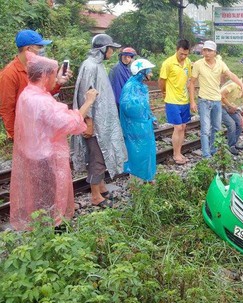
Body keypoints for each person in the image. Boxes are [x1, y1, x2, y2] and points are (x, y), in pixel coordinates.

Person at [10, 52, 98, 231]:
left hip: (31, 154)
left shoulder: (28, 93)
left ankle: (40, 229)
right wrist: (89, 101)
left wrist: (57, 81)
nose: (54, 78)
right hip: (46, 158)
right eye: (53, 74)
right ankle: (54, 231)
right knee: (51, 199)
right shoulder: (42, 101)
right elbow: (70, 122)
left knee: (38, 197)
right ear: (43, 75)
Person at [71, 34, 128, 207]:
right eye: (111, 48)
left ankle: (101, 186)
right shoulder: (90, 66)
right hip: (95, 124)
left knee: (102, 155)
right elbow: (84, 96)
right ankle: (95, 196)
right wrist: (88, 122)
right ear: (103, 49)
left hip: (103, 122)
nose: (112, 51)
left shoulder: (97, 65)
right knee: (97, 156)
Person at [0, 29, 72, 140]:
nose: (42, 50)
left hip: (40, 130)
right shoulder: (9, 74)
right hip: (24, 134)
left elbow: (43, 94)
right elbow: (7, 109)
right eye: (39, 47)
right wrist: (16, 136)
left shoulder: (36, 69)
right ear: (28, 49)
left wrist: (58, 82)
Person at [188, 40, 243, 159]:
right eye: (205, 50)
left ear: (215, 52)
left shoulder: (220, 64)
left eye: (209, 51)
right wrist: (192, 101)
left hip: (217, 101)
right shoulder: (198, 64)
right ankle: (206, 155)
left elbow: (231, 75)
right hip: (204, 100)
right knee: (205, 129)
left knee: (216, 128)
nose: (206, 53)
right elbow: (192, 83)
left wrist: (242, 86)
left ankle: (213, 150)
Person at [119, 59, 157, 183]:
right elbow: (127, 106)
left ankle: (147, 177)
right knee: (137, 153)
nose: (151, 74)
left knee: (146, 151)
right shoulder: (131, 87)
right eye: (149, 71)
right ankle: (137, 183)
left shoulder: (139, 85)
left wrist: (150, 116)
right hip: (135, 127)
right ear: (142, 72)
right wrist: (142, 111)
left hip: (142, 125)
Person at [159, 39, 192, 165]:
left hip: (184, 99)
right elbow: (161, 81)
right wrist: (164, 92)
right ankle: (176, 154)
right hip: (172, 100)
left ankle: (179, 151)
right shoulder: (168, 63)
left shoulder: (188, 62)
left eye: (186, 54)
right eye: (181, 54)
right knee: (177, 127)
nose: (183, 56)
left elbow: (188, 79)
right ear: (176, 50)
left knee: (183, 127)